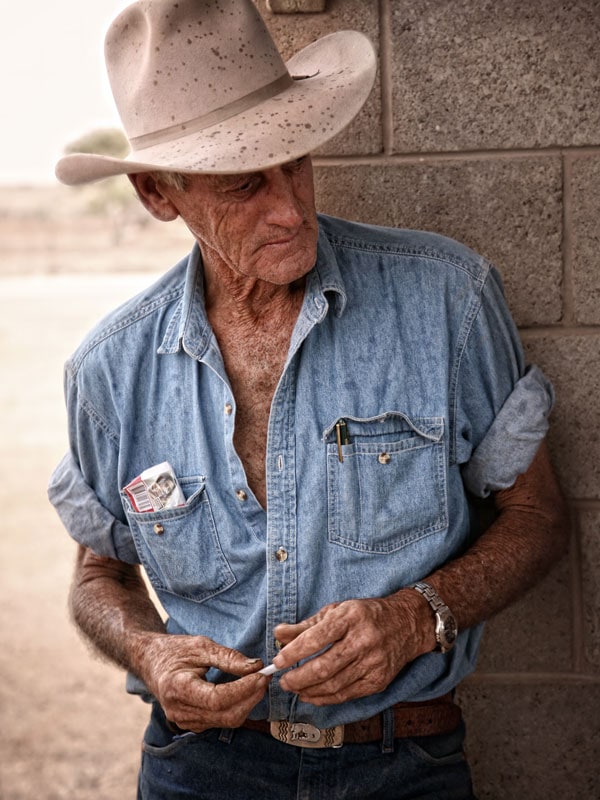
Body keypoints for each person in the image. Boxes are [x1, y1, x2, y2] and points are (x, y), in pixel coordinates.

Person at [48, 1, 568, 798]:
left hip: (405, 763)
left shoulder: (447, 299)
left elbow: (537, 520)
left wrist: (415, 616)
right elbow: (99, 580)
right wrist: (149, 653)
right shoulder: (110, 370)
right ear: (160, 194)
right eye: (246, 184)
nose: (290, 207)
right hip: (199, 769)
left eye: (297, 161)